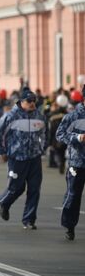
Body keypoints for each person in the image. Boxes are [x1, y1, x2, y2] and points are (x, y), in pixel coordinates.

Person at [0, 89, 47, 230]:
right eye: (29, 101)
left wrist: (42, 149)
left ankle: (29, 220)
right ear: (21, 102)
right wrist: (1, 152)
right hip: (17, 157)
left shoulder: (39, 116)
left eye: (34, 101)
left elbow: (44, 133)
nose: (32, 104)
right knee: (16, 188)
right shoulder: (11, 116)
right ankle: (5, 203)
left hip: (34, 158)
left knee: (34, 189)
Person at [55, 84, 85, 241]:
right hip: (78, 163)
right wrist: (77, 138)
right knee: (74, 196)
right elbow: (59, 135)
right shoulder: (73, 116)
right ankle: (69, 226)